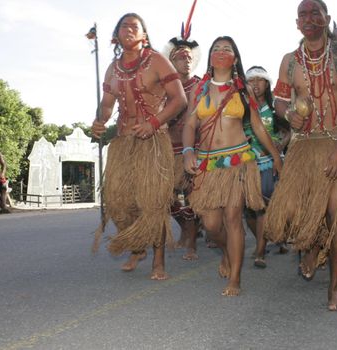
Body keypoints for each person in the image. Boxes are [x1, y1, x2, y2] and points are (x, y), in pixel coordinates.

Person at [264, 0, 337, 311]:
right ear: (297, 24)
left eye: (315, 13)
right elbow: (279, 103)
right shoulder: (289, 62)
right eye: (302, 15)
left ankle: (333, 290)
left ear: (326, 18)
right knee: (291, 212)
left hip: (336, 141)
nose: (308, 19)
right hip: (304, 145)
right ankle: (314, 245)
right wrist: (289, 113)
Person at [183, 36, 282, 296]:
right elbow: (190, 125)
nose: (221, 52)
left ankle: (235, 278)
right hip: (208, 164)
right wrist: (187, 151)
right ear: (210, 57)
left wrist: (275, 156)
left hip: (238, 161)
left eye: (226, 48)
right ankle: (226, 253)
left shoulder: (242, 89)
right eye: (216, 48)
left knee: (233, 218)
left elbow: (258, 127)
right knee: (213, 225)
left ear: (235, 58)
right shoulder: (200, 90)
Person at [91, 13, 187, 280]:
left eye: (135, 27)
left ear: (144, 35)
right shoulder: (113, 68)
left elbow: (179, 100)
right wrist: (99, 120)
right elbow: (107, 105)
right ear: (117, 34)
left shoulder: (157, 60)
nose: (129, 30)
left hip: (153, 141)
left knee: (152, 202)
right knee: (118, 202)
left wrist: (154, 123)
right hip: (123, 141)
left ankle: (158, 260)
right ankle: (137, 246)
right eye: (124, 26)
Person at [244, 66, 290, 268]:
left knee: (263, 208)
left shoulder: (273, 109)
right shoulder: (242, 108)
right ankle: (270, 238)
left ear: (267, 84)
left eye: (259, 80)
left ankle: (261, 251)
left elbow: (289, 130)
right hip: (246, 164)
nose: (255, 84)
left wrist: (281, 143)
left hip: (269, 164)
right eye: (251, 80)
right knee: (249, 211)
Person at [163, 33, 201, 261]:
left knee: (193, 197)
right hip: (168, 150)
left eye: (189, 57)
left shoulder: (200, 84)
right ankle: (186, 228)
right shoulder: (164, 87)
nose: (186, 60)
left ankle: (193, 242)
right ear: (171, 60)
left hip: (193, 149)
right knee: (166, 198)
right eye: (180, 57)